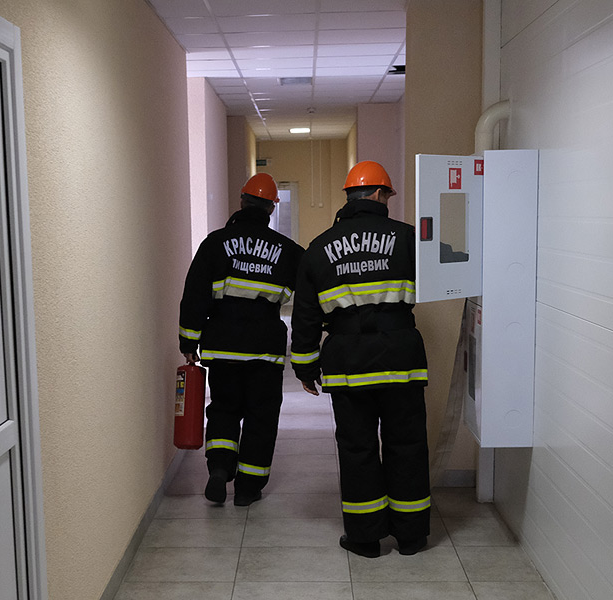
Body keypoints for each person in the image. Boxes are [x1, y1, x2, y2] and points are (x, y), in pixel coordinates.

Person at [291, 161, 430, 557]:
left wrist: (305, 366)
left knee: (357, 448)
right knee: (407, 444)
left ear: (349, 197)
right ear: (380, 194)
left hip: (348, 361)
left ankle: (365, 538)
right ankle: (411, 536)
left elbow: (305, 316)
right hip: (401, 356)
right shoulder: (408, 238)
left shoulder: (320, 247)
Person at [179, 173, 304, 506]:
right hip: (265, 346)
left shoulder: (214, 243)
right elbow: (310, 291)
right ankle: (248, 488)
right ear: (271, 208)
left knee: (224, 408)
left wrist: (188, 342)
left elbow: (194, 295)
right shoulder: (288, 251)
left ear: (241, 201)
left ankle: (220, 468)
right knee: (261, 414)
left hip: (222, 344)